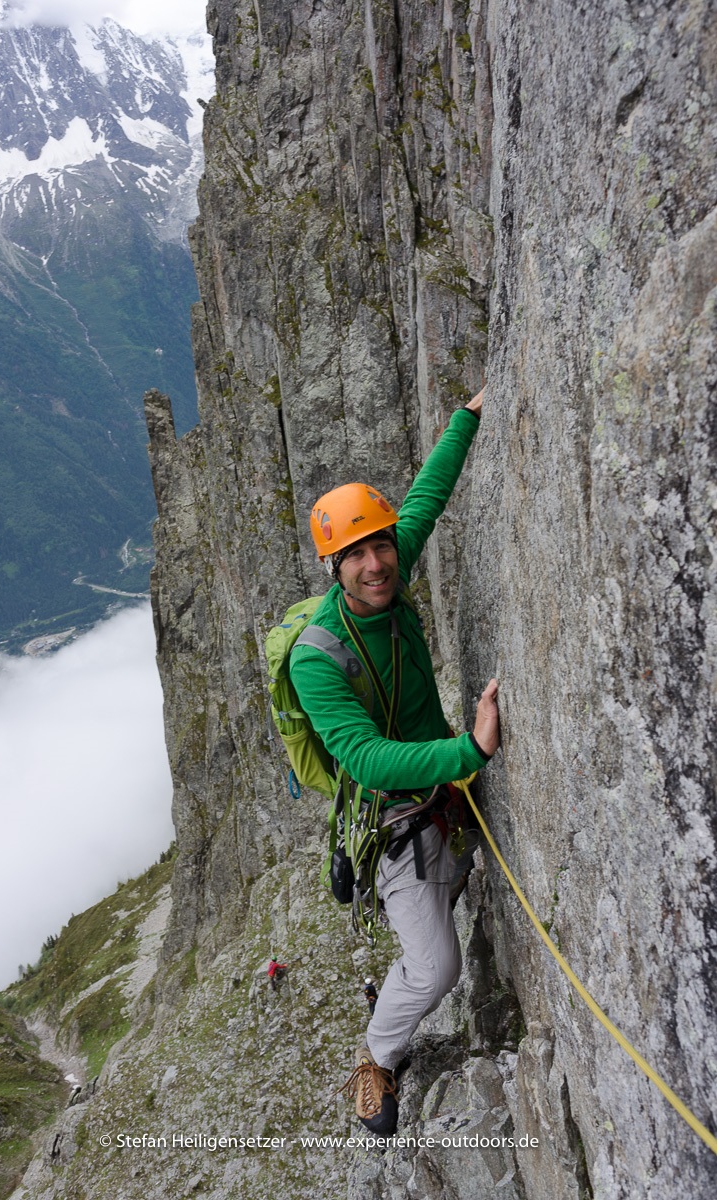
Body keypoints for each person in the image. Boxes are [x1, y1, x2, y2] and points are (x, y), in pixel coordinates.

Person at [290, 386, 499, 1137]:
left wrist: (466, 418)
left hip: (441, 790)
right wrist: (468, 751)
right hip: (394, 817)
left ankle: (395, 994)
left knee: (441, 924)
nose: (377, 564)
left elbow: (425, 499)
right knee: (438, 968)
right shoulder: (319, 659)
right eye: (357, 556)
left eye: (380, 547)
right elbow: (367, 760)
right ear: (333, 568)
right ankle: (376, 1058)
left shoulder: (390, 565)